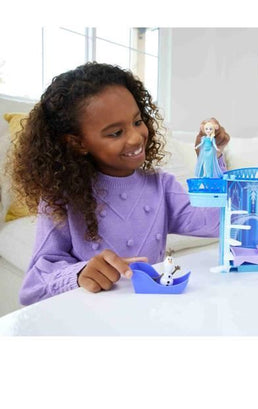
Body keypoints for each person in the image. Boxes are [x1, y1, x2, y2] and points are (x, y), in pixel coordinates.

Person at [7, 62, 229, 305]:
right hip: (93, 316)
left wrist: (210, 159)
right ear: (77, 143)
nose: (135, 138)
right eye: (115, 133)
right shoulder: (62, 197)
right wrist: (80, 274)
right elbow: (32, 288)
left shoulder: (160, 185)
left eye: (137, 122)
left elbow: (216, 224)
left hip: (151, 310)